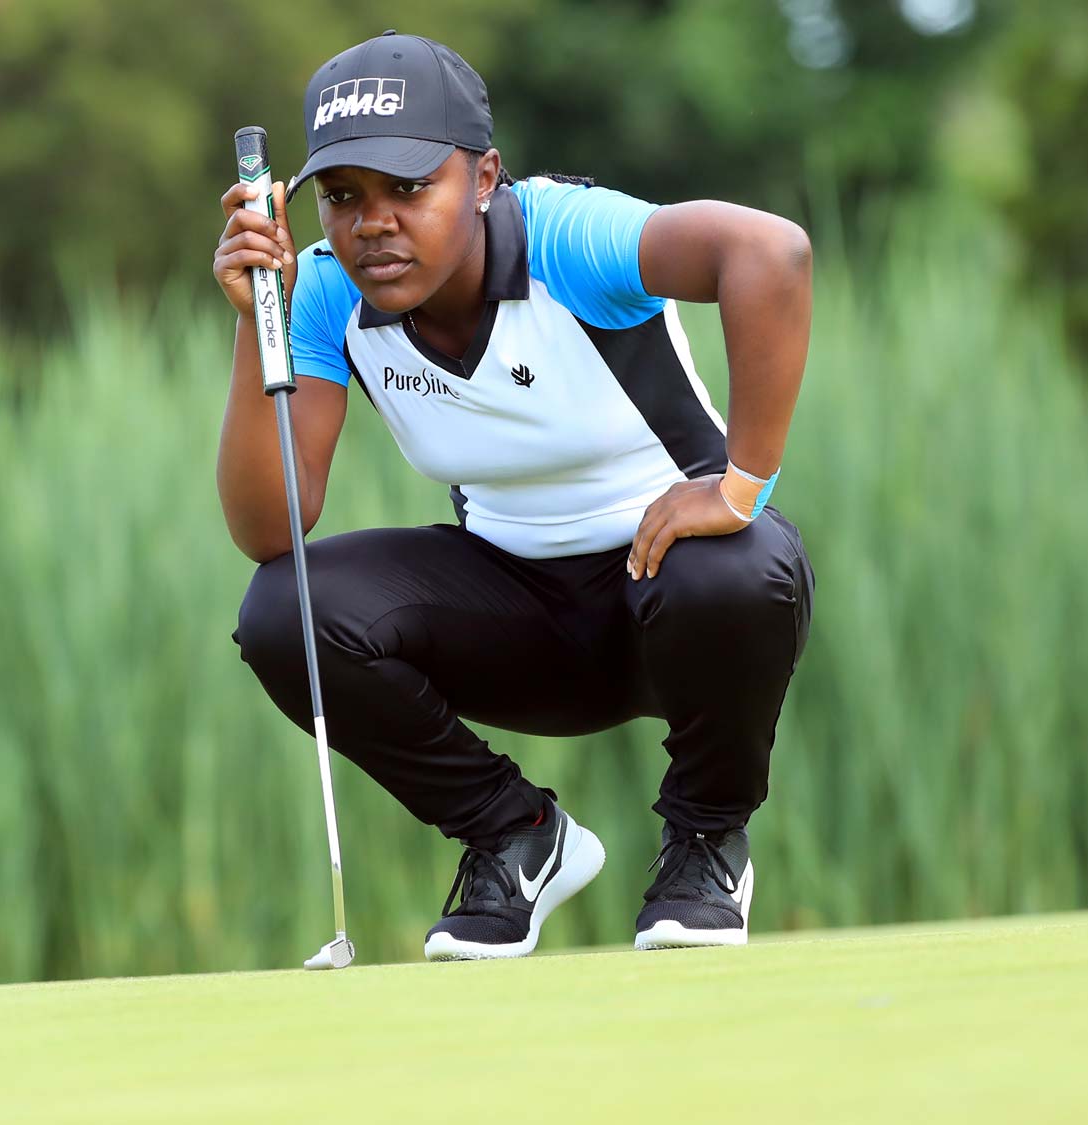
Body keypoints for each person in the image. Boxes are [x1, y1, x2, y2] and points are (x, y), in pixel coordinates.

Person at [211, 30, 817, 958]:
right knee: (284, 609)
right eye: (342, 197)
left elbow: (770, 253)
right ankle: (516, 836)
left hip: (676, 601)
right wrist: (264, 320)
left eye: (409, 188)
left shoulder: (567, 238)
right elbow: (269, 526)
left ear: (486, 177)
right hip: (518, 620)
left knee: (735, 563)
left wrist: (739, 487)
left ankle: (705, 840)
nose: (372, 222)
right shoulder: (328, 293)